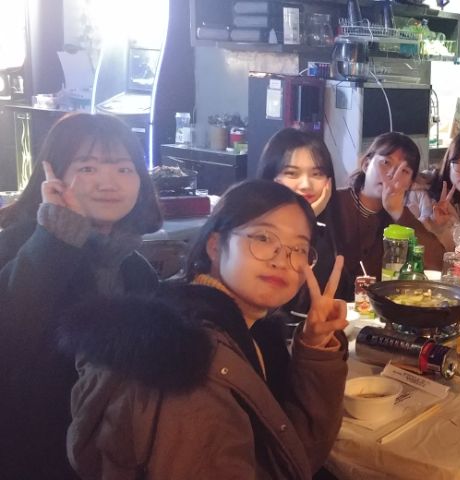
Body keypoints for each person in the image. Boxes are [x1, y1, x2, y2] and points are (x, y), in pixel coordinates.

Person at [59, 180, 349, 479]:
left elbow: (292, 457)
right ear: (214, 246)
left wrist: (316, 346)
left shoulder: (254, 333)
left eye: (298, 248)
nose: (281, 260)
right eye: (263, 237)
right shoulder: (187, 359)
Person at [0, 112, 164, 479]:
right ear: (53, 175)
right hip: (31, 457)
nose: (109, 182)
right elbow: (9, 334)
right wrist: (56, 236)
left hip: (113, 459)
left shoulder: (136, 269)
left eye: (124, 169)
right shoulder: (17, 244)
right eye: (87, 168)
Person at [331, 132, 443, 299]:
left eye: (404, 171)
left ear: (410, 184)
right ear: (366, 164)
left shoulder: (401, 217)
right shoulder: (335, 202)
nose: (392, 173)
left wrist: (398, 212)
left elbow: (437, 263)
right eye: (386, 162)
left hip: (378, 309)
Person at [257, 127, 344, 309]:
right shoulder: (254, 231)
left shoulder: (329, 226)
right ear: (271, 177)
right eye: (291, 173)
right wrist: (306, 221)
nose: (306, 185)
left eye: (316, 174)